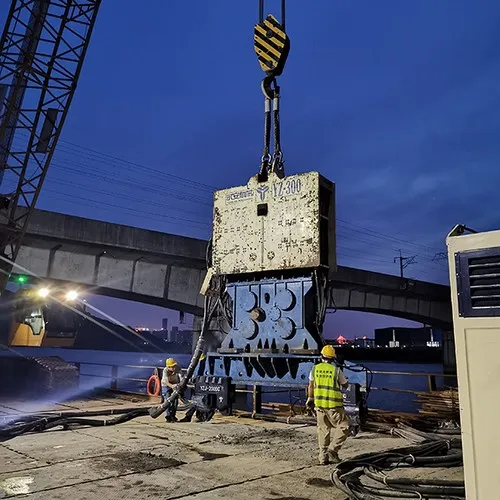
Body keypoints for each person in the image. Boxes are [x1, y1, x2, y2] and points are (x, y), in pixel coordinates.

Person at [306, 345, 350, 465]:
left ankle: (322, 458)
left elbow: (310, 386)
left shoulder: (314, 369)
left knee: (323, 430)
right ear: (333, 358)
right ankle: (333, 449)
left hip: (319, 405)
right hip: (333, 406)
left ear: (321, 357)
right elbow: (345, 385)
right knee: (344, 426)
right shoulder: (336, 370)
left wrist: (310, 399)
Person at [178, 353, 207, 423]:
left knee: (197, 402)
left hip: (201, 385)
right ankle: (194, 416)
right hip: (200, 385)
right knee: (197, 402)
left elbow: (197, 374)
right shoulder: (203, 363)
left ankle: (193, 416)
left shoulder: (200, 364)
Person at [161, 357, 184, 423]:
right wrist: (171, 386)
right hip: (166, 386)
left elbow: (181, 378)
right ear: (168, 367)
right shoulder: (165, 370)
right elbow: (166, 381)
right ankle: (168, 416)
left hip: (175, 385)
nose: (173, 368)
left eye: (174, 366)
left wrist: (180, 385)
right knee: (168, 400)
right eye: (172, 367)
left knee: (175, 401)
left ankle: (173, 415)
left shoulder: (178, 368)